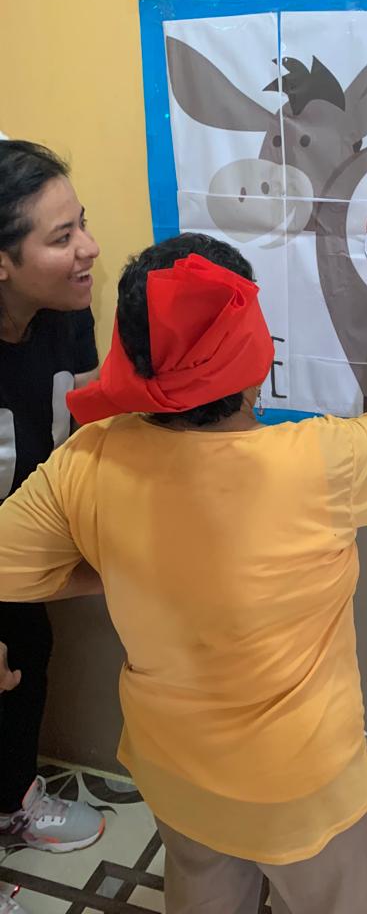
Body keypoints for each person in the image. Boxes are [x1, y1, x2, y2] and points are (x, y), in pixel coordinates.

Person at [0, 231, 367, 913]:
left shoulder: (90, 459)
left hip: (174, 769)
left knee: (203, 887)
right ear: (251, 351)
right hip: (300, 786)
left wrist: (119, 564)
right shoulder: (320, 461)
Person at [0, 142, 106, 912]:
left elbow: (90, 427)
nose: (89, 249)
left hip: (14, 557)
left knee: (27, 655)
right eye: (62, 237)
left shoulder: (69, 317)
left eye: (83, 225)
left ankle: (11, 799)